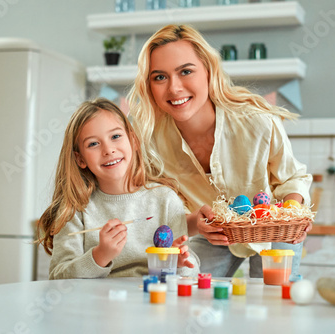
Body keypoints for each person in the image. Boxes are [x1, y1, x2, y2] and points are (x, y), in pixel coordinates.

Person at [128, 24, 313, 279]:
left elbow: (292, 178)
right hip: (211, 234)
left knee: (273, 301)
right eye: (159, 77)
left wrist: (290, 216)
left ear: (208, 70)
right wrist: (194, 222)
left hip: (272, 230)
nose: (174, 88)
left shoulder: (256, 120)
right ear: (149, 86)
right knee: (188, 293)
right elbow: (156, 204)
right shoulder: (149, 140)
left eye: (186, 71)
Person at [36, 98, 199, 279]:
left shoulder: (165, 200)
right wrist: (99, 256)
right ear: (80, 159)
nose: (108, 150)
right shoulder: (75, 210)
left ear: (133, 140)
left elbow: (191, 273)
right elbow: (58, 278)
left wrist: (176, 265)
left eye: (115, 137)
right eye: (93, 144)